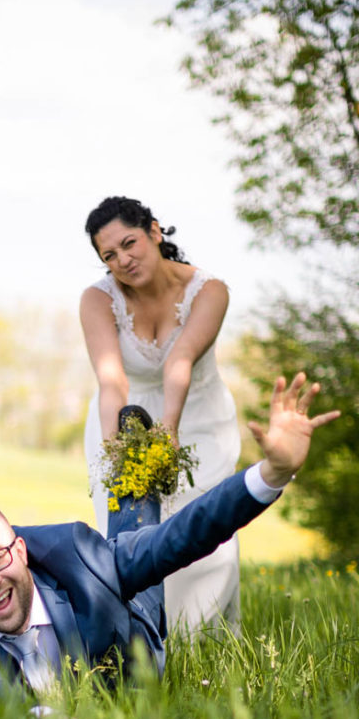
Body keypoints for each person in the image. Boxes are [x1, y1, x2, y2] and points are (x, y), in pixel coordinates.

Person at [0, 374, 339, 709]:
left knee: (138, 525)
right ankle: (135, 464)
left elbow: (184, 535)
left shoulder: (81, 559)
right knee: (129, 535)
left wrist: (272, 474)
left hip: (129, 618)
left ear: (21, 552)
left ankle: (136, 462)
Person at [81, 195, 241, 634]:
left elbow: (180, 360)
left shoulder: (210, 291)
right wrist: (119, 450)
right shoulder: (97, 300)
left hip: (198, 420)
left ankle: (196, 642)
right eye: (109, 255)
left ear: (154, 231)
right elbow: (112, 380)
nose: (123, 260)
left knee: (207, 536)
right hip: (121, 419)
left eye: (129, 243)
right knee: (134, 538)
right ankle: (143, 639)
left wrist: (168, 432)